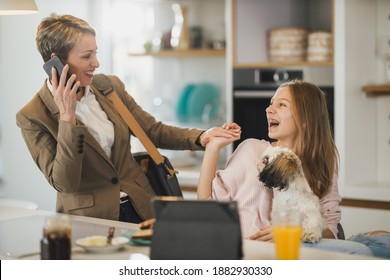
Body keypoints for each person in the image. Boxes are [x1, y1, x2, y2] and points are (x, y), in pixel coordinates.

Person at [16, 13, 239, 224]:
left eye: (96, 52)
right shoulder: (33, 117)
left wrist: (201, 137)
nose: (96, 63)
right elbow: (66, 183)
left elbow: (153, 130)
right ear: (56, 62)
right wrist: (67, 118)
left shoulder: (109, 87)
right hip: (91, 221)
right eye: (87, 56)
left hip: (142, 208)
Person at [197, 79, 387, 257]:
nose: (269, 109)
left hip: (300, 247)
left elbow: (331, 230)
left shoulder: (321, 162)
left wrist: (296, 230)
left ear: (305, 118)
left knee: (384, 242)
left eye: (282, 105)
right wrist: (212, 148)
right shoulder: (252, 149)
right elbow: (207, 206)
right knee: (363, 252)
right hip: (256, 251)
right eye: (271, 103)